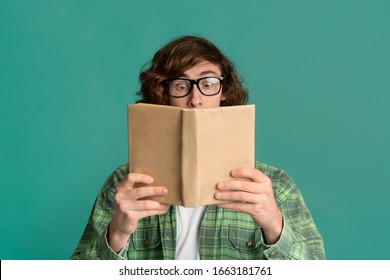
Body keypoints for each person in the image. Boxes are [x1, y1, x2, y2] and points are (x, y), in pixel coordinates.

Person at [71, 35, 325, 260]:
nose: (195, 100)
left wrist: (273, 225)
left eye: (208, 83)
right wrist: (116, 234)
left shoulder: (275, 185)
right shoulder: (125, 185)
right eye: (181, 86)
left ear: (223, 90)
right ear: (164, 93)